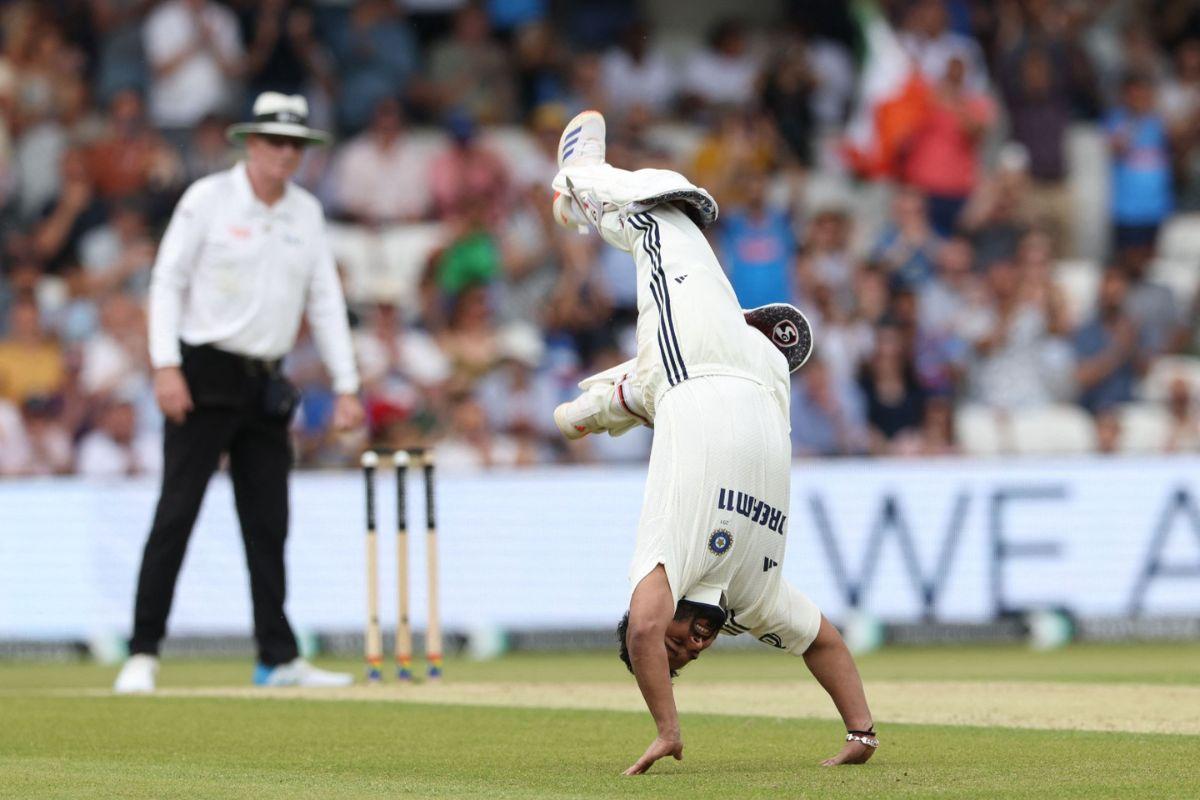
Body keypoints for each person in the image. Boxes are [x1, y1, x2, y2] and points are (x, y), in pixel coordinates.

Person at [548, 111, 877, 774]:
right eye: (686, 660)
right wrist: (862, 733)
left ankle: (575, 181)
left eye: (673, 649)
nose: (688, 648)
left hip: (692, 363)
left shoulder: (667, 561)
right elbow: (826, 645)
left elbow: (641, 628)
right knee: (612, 396)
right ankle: (600, 404)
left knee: (664, 217)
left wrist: (667, 726)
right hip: (764, 376)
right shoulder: (755, 600)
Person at [113, 92, 364, 694]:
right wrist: (165, 366)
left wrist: (348, 385)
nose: (285, 156)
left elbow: (325, 301)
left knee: (269, 521)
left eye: (295, 146)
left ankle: (276, 657)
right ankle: (143, 652)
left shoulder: (305, 211)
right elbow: (166, 281)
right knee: (177, 511)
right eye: (275, 143)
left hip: (266, 381)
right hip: (202, 374)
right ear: (251, 144)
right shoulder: (207, 199)